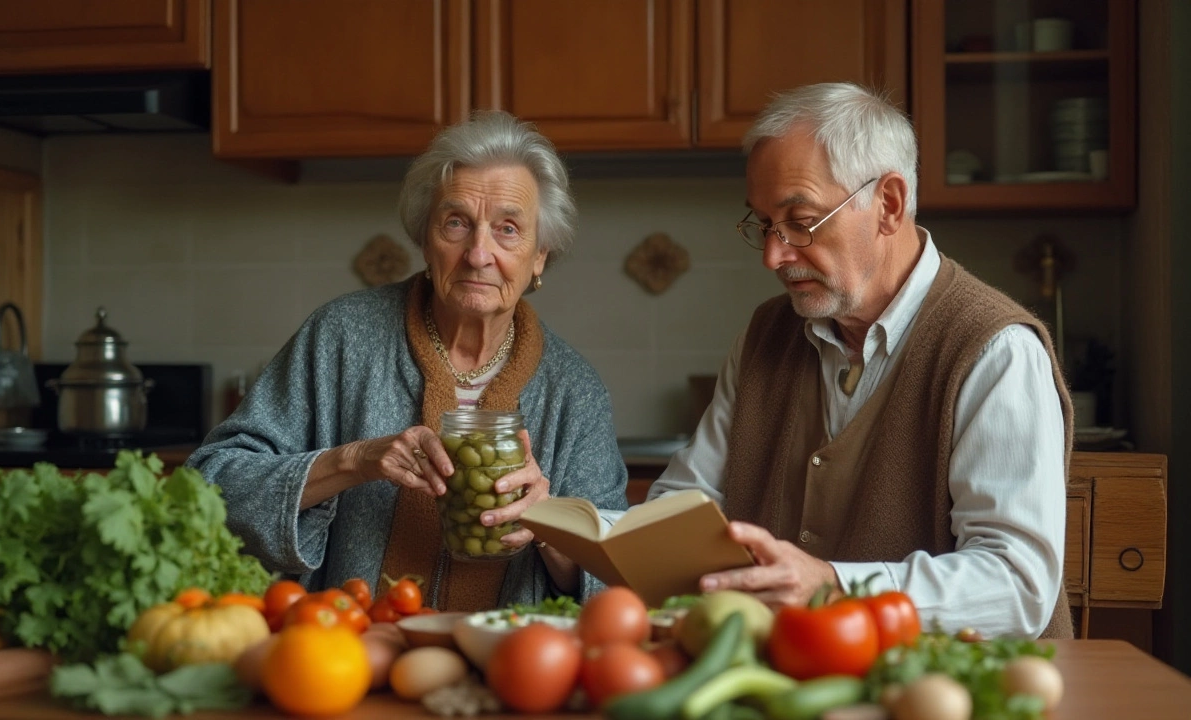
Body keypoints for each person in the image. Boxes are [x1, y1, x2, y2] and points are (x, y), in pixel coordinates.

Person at [649, 83, 1073, 639]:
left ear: (889, 205)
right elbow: (684, 506)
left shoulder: (996, 350)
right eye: (764, 226)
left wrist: (830, 586)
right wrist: (565, 528)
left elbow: (1015, 587)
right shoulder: (766, 336)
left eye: (801, 221)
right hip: (802, 679)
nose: (775, 255)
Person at [188, 111, 629, 612]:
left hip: (509, 668)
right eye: (456, 223)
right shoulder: (341, 337)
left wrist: (549, 524)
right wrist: (353, 461)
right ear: (424, 238)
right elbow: (211, 486)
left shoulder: (576, 390)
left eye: (508, 229)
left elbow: (615, 579)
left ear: (540, 255)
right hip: (343, 656)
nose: (478, 254)